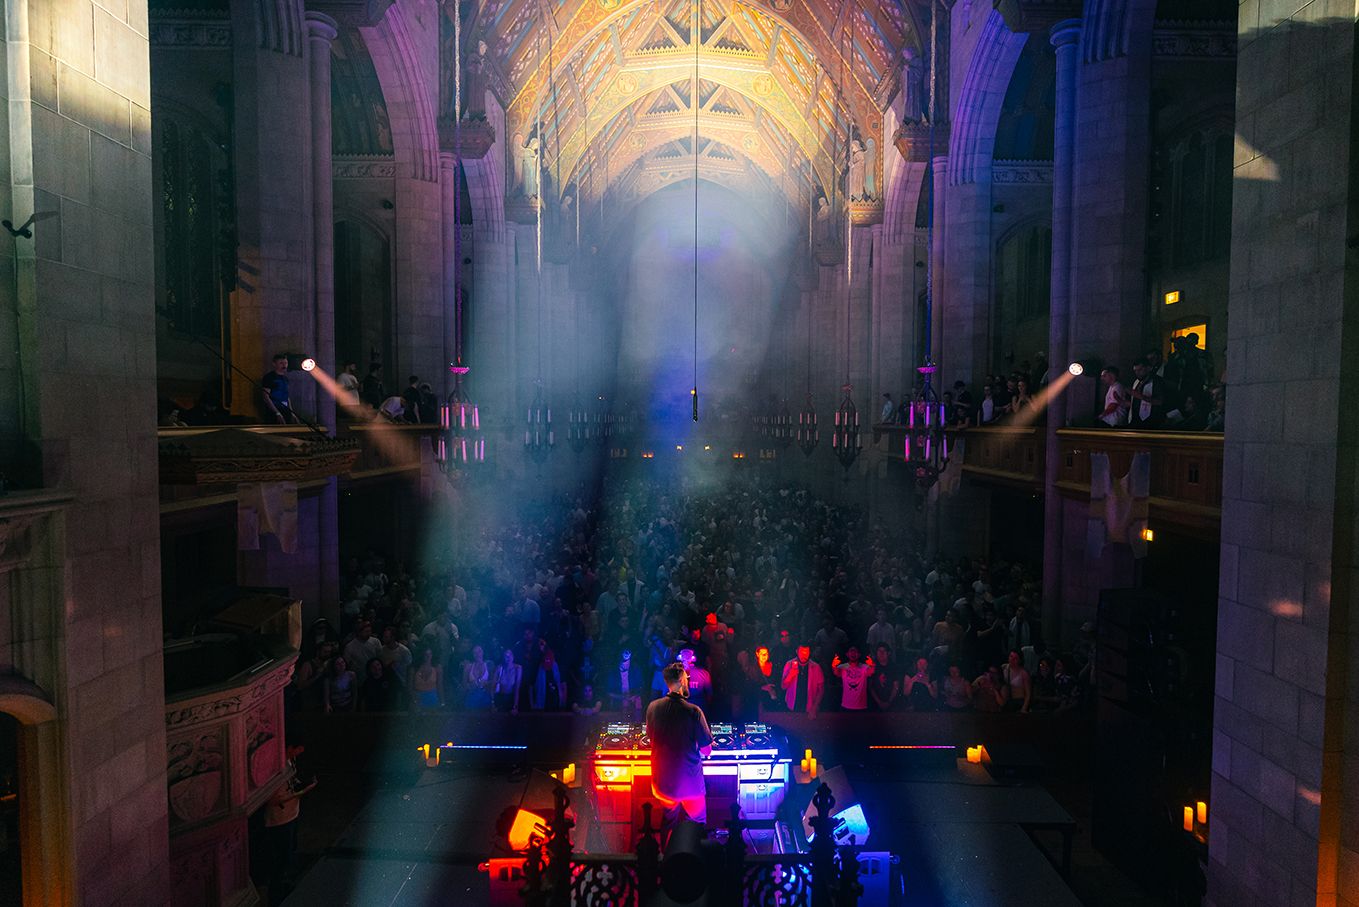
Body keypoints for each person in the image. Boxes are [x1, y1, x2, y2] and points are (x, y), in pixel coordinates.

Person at [645, 662, 714, 828]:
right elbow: (707, 751)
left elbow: (651, 738)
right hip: (690, 785)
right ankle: (693, 844)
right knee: (698, 822)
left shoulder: (652, 708)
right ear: (683, 680)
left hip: (662, 784)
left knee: (669, 822)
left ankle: (668, 845)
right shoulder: (694, 711)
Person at [781, 645, 824, 719]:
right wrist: (790, 675)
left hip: (809, 708)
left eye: (806, 652)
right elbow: (783, 686)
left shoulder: (816, 667)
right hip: (791, 707)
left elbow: (821, 690)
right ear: (797, 652)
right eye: (801, 652)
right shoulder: (789, 664)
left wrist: (814, 708)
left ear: (809, 653)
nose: (804, 655)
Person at [832, 647, 875, 711]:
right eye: (851, 651)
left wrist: (872, 665)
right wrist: (834, 666)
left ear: (859, 654)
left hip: (861, 707)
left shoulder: (865, 667)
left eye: (855, 651)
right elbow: (836, 673)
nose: (853, 653)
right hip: (846, 706)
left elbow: (872, 672)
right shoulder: (842, 667)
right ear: (847, 654)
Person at [261, 354, 299, 424]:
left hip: (285, 410)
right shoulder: (269, 377)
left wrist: (292, 412)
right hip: (273, 411)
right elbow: (265, 397)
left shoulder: (286, 379)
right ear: (274, 364)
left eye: (286, 363)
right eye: (281, 363)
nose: (284, 365)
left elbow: (287, 397)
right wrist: (277, 413)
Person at [410, 646, 444, 710]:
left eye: (430, 654)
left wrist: (442, 702)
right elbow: (409, 687)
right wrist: (414, 700)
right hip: (417, 698)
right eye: (426, 654)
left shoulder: (437, 668)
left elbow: (440, 686)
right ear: (422, 655)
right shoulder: (414, 668)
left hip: (433, 698)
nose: (428, 656)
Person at [493, 648, 522, 714]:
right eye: (506, 656)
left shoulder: (518, 668)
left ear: (513, 656)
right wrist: (493, 704)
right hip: (500, 698)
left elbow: (517, 688)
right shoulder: (499, 668)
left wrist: (515, 707)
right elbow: (493, 686)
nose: (508, 658)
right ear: (503, 658)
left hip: (512, 698)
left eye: (510, 655)